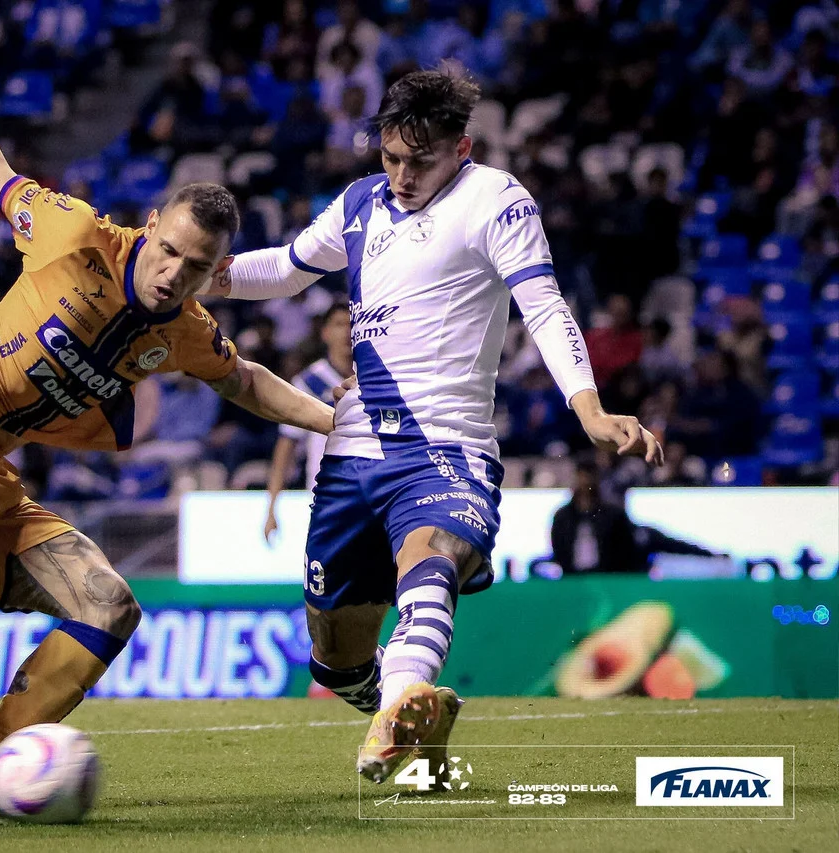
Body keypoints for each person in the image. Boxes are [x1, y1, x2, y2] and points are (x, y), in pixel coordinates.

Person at [0, 40, 335, 812]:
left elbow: (243, 381)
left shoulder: (186, 327)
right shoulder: (73, 234)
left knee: (107, 605)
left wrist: (334, 423)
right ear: (150, 226)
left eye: (194, 266)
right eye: (168, 249)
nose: (172, 272)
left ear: (218, 271)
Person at [209, 69, 663, 787]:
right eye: (390, 157)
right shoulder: (361, 203)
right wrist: (199, 274)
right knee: (334, 654)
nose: (401, 174)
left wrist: (589, 409)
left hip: (445, 444)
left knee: (432, 558)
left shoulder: (496, 198)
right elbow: (288, 268)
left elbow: (542, 305)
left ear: (462, 147)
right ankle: (407, 705)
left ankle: (398, 710)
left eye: (419, 160)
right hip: (351, 453)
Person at [264, 302, 352, 541]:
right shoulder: (309, 382)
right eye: (339, 324)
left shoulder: (376, 377)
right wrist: (272, 506)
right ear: (325, 332)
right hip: (325, 492)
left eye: (352, 324)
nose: (347, 332)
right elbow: (287, 444)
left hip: (374, 488)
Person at [550, 460, 719, 574]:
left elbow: (629, 549)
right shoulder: (563, 518)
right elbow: (559, 551)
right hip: (572, 582)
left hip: (609, 581)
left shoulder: (613, 516)